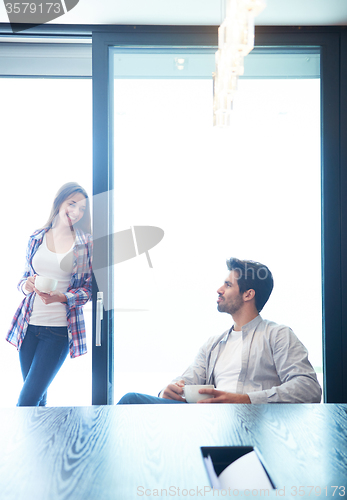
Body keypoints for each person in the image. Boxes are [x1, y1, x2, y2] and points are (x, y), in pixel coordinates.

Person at [118, 258, 322, 405]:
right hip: (208, 419)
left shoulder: (278, 335)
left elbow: (309, 387)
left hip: (257, 422)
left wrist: (244, 400)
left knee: (130, 401)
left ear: (248, 294)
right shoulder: (214, 344)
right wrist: (170, 389)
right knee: (133, 402)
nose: (219, 289)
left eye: (227, 284)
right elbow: (189, 380)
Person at [6, 182, 92, 407]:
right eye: (71, 204)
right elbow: (23, 279)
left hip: (57, 331)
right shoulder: (37, 237)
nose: (75, 212)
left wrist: (62, 297)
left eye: (81, 208)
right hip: (28, 326)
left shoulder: (84, 244)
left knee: (26, 401)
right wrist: (28, 284)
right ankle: (42, 443)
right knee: (37, 399)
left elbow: (86, 290)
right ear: (59, 202)